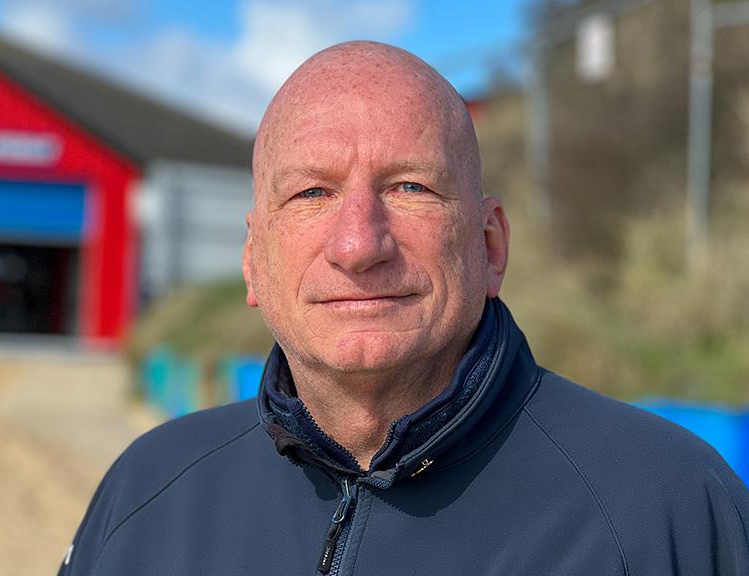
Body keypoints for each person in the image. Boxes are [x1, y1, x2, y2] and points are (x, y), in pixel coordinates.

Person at [57, 41, 749, 576]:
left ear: (490, 245)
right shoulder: (146, 493)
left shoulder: (671, 509)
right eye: (311, 194)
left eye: (411, 186)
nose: (359, 245)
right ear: (252, 260)